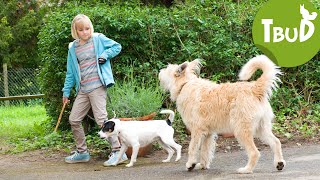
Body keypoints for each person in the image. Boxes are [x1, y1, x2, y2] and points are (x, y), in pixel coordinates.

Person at [62, 14, 127, 166]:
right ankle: (82, 152)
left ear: (91, 27)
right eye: (81, 30)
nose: (85, 32)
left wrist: (105, 54)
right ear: (75, 31)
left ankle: (118, 152)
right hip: (83, 89)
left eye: (87, 28)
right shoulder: (73, 48)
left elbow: (117, 46)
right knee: (74, 119)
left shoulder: (98, 39)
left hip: (98, 86)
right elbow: (70, 72)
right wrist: (66, 92)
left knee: (101, 120)